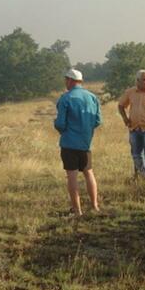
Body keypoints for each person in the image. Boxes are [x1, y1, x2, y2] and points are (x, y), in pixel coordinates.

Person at [54, 68, 102, 217]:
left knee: (72, 176)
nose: (65, 83)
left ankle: (77, 210)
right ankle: (95, 206)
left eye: (66, 80)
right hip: (85, 143)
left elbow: (61, 124)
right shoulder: (92, 97)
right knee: (89, 173)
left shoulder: (65, 98)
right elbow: (98, 121)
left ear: (70, 80)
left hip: (69, 143)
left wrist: (57, 125)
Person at [118, 70, 145, 179]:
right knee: (136, 154)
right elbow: (121, 105)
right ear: (137, 80)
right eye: (144, 80)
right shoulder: (130, 92)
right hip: (134, 128)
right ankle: (142, 173)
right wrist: (125, 118)